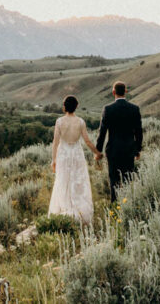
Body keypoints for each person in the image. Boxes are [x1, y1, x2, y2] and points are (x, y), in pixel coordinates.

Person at [48, 95, 101, 223]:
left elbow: (55, 142)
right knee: (78, 181)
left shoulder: (59, 121)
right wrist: (97, 153)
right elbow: (87, 141)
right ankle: (78, 212)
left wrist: (53, 160)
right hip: (76, 154)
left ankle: (63, 210)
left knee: (63, 180)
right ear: (76, 106)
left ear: (64, 106)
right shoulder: (80, 121)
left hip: (63, 154)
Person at [95, 81, 143, 202]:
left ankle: (115, 208)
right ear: (125, 92)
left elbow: (102, 132)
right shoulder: (134, 109)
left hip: (113, 151)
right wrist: (137, 150)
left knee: (114, 181)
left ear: (113, 92)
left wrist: (98, 151)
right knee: (128, 180)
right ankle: (128, 207)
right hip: (129, 150)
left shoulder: (108, 109)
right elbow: (139, 132)